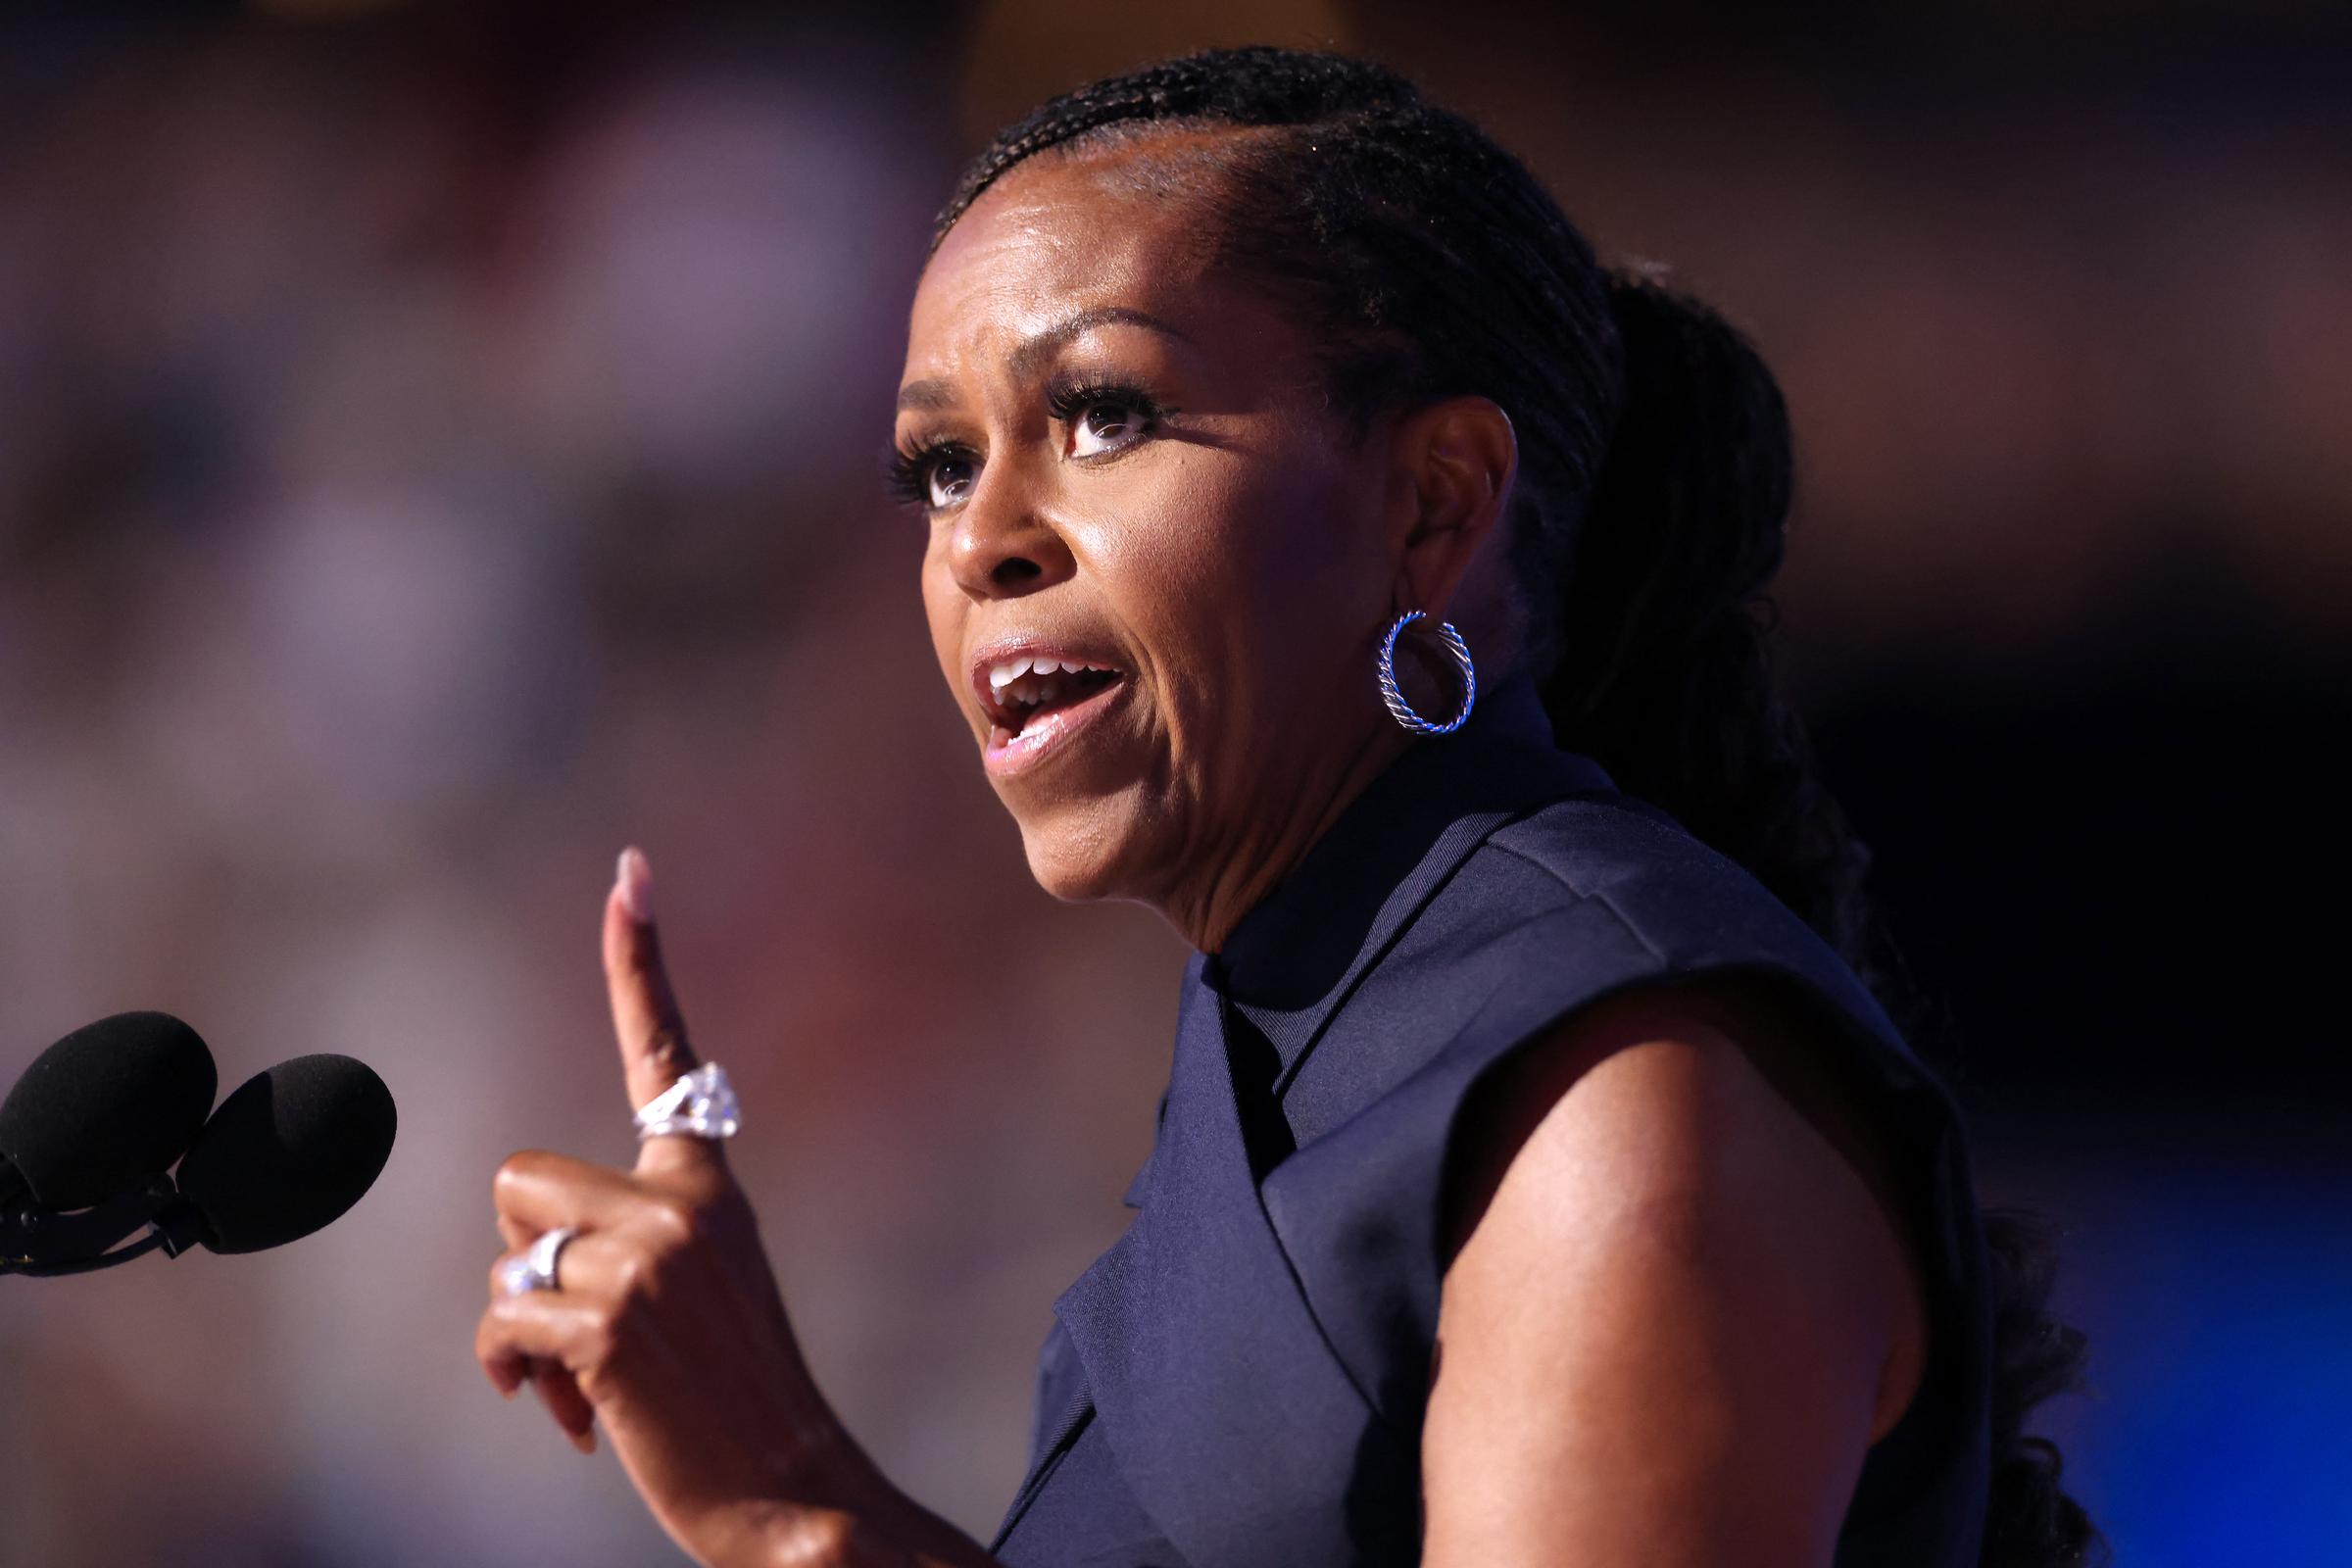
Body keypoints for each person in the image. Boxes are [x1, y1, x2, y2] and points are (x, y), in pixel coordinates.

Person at [473, 46, 2098, 1568]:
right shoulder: (1301, 1035)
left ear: (1435, 504)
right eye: (941, 466)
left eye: (1104, 414)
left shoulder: (1618, 1092)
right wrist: (794, 1499)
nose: (979, 542)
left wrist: (796, 1509)